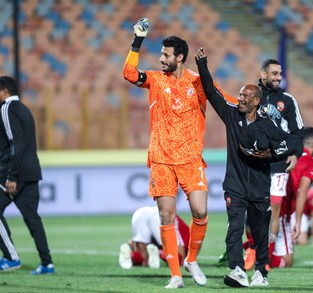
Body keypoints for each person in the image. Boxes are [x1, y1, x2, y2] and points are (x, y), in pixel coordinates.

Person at [195, 48, 303, 287]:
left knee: (260, 231)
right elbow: (211, 92)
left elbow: (295, 141)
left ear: (256, 101)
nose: (240, 99)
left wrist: (273, 153)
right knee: (234, 228)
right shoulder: (232, 115)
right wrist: (202, 65)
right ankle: (236, 269)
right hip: (235, 185)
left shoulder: (267, 126)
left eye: (245, 97)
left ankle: (261, 273)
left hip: (260, 185)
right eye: (240, 95)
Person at [123, 18, 208, 288]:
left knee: (200, 211)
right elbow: (128, 72)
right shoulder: (156, 80)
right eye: (160, 53)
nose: (160, 59)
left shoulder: (197, 83)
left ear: (179, 57)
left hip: (191, 157)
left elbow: (222, 100)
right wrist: (137, 41)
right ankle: (175, 275)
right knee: (166, 215)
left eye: (165, 55)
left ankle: (191, 259)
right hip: (161, 158)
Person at [241, 59, 305, 271]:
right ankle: (251, 246)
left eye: (280, 74)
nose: (279, 77)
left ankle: (264, 256)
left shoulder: (287, 100)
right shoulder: (250, 95)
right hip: (254, 163)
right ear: (263, 74)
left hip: (278, 162)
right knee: (254, 207)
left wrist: (295, 154)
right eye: (275, 73)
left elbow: (298, 132)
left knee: (274, 206)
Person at [0, 76, 54, 274]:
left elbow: (15, 143)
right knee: (32, 218)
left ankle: (10, 258)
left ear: (4, 91)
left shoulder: (7, 109)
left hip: (14, 174)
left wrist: (12, 176)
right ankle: (47, 263)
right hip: (31, 171)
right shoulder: (24, 109)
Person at [270, 126, 313, 268]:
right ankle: (254, 253)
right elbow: (301, 192)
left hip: (268, 202)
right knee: (287, 261)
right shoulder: (311, 164)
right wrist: (297, 221)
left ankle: (252, 249)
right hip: (282, 211)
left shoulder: (287, 154)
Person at [118, 206, 190, 270]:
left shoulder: (188, 233)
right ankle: (158, 253)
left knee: (145, 261)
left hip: (140, 212)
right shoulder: (189, 240)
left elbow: (133, 242)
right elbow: (181, 256)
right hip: (161, 216)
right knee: (178, 259)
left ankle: (131, 256)